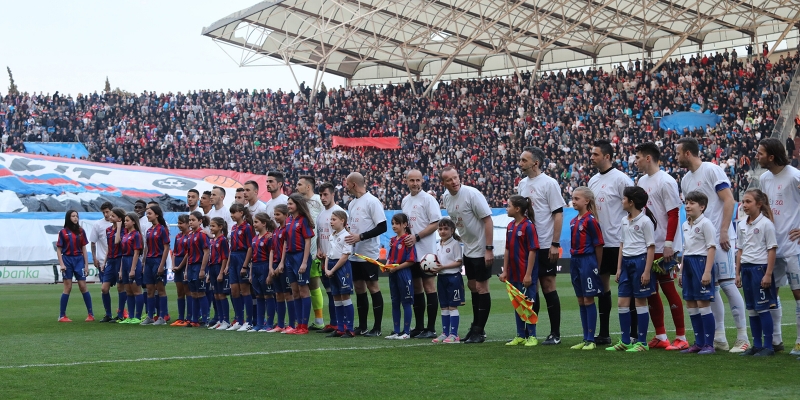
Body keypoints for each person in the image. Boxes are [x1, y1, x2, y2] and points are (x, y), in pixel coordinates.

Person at [677, 137, 749, 352]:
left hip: (721, 237)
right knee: (711, 289)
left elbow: (729, 199)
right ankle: (718, 337)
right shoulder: (686, 180)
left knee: (727, 284)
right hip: (701, 243)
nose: (676, 156)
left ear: (688, 153)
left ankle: (743, 337)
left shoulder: (711, 170)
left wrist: (725, 230)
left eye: (678, 152)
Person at [634, 142, 687, 350]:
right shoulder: (642, 180)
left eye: (638, 157)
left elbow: (673, 213)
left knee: (668, 288)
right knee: (651, 291)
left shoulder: (666, 181)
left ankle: (681, 337)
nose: (635, 161)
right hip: (648, 244)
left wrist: (669, 244)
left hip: (664, 244)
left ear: (648, 158)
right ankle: (661, 335)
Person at [755, 138, 800, 355]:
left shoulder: (794, 176)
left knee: (798, 293)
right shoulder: (764, 179)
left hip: (794, 246)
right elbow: (768, 209)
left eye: (760, 153)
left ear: (771, 156)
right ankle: (776, 340)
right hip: (773, 246)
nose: (757, 156)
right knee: (771, 292)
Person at [518, 146, 566, 345]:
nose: (520, 163)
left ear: (535, 163)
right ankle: (531, 333)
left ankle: (555, 334)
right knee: (530, 288)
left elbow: (558, 213)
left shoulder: (549, 183)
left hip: (545, 243)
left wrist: (555, 243)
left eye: (523, 160)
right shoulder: (521, 184)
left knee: (548, 285)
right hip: (528, 245)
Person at [441, 166, 494, 343]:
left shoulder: (472, 194)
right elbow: (458, 220)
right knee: (472, 286)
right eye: (449, 180)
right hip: (468, 249)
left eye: (455, 177)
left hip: (481, 248)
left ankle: (479, 330)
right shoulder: (446, 198)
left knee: (481, 288)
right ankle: (476, 327)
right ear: (444, 183)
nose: (454, 182)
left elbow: (488, 220)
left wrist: (489, 248)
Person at [588, 139, 632, 345]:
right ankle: (604, 333)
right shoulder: (592, 181)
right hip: (600, 243)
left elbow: (635, 206)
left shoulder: (622, 179)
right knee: (602, 286)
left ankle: (633, 334)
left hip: (620, 241)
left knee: (627, 285)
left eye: (595, 154)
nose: (592, 157)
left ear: (607, 156)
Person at [607, 186, 656, 352]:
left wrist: (647, 271)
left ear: (631, 202)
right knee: (622, 302)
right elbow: (622, 244)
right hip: (626, 263)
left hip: (640, 262)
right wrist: (619, 268)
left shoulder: (645, 222)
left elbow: (651, 247)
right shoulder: (623, 220)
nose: (622, 201)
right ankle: (625, 340)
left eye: (624, 198)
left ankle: (642, 342)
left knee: (640, 301)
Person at [735, 189, 778, 357]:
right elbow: (740, 250)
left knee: (763, 308)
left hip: (759, 269)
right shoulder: (742, 224)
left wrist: (768, 274)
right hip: (746, 269)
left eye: (748, 202)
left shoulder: (766, 224)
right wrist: (737, 273)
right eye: (743, 202)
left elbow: (772, 250)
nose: (744, 205)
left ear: (759, 204)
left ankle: (768, 346)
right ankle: (757, 345)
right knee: (752, 309)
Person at [345, 172, 387, 336]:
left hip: (368, 253)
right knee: (359, 288)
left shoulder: (372, 201)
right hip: (354, 253)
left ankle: (376, 328)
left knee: (372, 287)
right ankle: (362, 326)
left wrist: (360, 236)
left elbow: (382, 227)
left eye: (347, 184)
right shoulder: (352, 204)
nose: (346, 187)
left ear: (353, 184)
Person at [401, 169, 442, 339]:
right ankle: (419, 326)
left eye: (418, 180)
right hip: (412, 253)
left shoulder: (428, 199)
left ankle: (431, 328)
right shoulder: (405, 201)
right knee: (416, 288)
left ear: (422, 181)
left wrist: (416, 236)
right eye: (412, 180)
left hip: (427, 252)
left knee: (429, 287)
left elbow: (436, 222)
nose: (415, 183)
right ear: (406, 181)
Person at [678, 191, 718, 355]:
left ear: (702, 207)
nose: (687, 206)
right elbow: (685, 248)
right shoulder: (685, 225)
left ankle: (709, 344)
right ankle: (698, 342)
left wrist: (707, 271)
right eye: (686, 202)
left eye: (692, 203)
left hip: (701, 263)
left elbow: (711, 247)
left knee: (703, 304)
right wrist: (681, 271)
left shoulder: (706, 224)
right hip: (688, 264)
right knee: (691, 303)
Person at [500, 195, 539, 347]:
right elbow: (508, 249)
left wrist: (529, 274)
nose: (506, 208)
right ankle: (520, 335)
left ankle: (532, 336)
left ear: (517, 209)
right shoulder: (510, 226)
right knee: (517, 304)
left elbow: (533, 251)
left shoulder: (528, 226)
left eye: (508, 206)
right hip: (513, 272)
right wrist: (505, 271)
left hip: (526, 273)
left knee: (528, 304)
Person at [568, 187, 604, 350]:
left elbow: (598, 245)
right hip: (575, 261)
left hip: (587, 262)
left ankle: (591, 339)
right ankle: (585, 337)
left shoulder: (591, 220)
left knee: (589, 299)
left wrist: (596, 265)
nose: (573, 201)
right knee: (581, 299)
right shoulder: (573, 221)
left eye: (577, 199)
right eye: (573, 198)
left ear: (586, 201)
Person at [276, 193, 316, 335]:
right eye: (288, 204)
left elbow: (307, 241)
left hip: (300, 257)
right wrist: (282, 261)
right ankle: (298, 325)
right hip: (290, 259)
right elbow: (286, 241)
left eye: (291, 204)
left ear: (297, 205)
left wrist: (304, 262)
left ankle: (304, 325)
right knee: (294, 292)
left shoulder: (303, 220)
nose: (288, 206)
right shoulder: (288, 220)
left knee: (303, 290)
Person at [296, 175, 327, 330]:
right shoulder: (299, 202)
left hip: (315, 251)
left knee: (314, 285)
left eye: (299, 184)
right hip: (299, 251)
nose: (296, 187)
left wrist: (321, 247)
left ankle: (319, 320)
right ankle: (302, 320)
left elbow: (323, 225)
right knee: (300, 286)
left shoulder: (318, 200)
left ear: (308, 186)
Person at [316, 182, 346, 333]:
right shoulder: (321, 214)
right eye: (321, 195)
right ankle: (334, 323)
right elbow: (320, 236)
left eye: (326, 194)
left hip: (336, 261)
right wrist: (320, 249)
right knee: (330, 292)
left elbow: (345, 236)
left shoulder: (339, 212)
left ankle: (343, 325)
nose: (323, 198)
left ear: (333, 194)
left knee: (340, 294)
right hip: (324, 260)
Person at [56, 210, 94, 322]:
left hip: (79, 260)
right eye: (73, 216)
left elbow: (84, 248)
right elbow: (58, 250)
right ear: (68, 218)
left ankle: (91, 314)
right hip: (67, 260)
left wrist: (86, 265)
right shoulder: (62, 232)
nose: (75, 218)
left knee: (83, 286)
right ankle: (62, 315)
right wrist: (62, 264)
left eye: (76, 216)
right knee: (68, 287)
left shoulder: (81, 231)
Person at [384, 213, 417, 340]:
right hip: (393, 274)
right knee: (395, 302)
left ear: (405, 225)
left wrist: (396, 268)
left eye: (397, 223)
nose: (394, 226)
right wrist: (387, 265)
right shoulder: (392, 240)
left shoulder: (408, 239)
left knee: (406, 302)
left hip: (403, 273)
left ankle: (407, 332)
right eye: (392, 223)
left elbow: (411, 260)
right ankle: (396, 331)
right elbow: (389, 257)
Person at [431, 218, 464, 344]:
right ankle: (445, 333)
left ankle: (454, 334)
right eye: (440, 229)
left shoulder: (455, 244)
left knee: (452, 306)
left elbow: (459, 261)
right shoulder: (438, 244)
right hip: (442, 278)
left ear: (452, 230)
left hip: (453, 277)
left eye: (445, 228)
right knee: (444, 306)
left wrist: (444, 267)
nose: (442, 231)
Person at [324, 209, 356, 337]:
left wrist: (332, 270)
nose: (331, 222)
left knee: (345, 297)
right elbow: (328, 254)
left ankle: (349, 328)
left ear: (342, 221)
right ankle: (340, 327)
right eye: (330, 219)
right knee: (336, 297)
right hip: (331, 265)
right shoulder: (332, 236)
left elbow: (344, 256)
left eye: (333, 219)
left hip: (341, 267)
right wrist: (326, 269)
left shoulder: (346, 236)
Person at [177, 211, 211, 327]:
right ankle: (194, 320)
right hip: (191, 267)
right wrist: (186, 270)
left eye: (193, 220)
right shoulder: (190, 235)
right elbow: (189, 253)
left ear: (200, 221)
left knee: (201, 293)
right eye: (190, 220)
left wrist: (202, 269)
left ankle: (205, 319)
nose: (191, 222)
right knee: (194, 294)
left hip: (199, 266)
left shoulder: (202, 234)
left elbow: (206, 252)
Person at [246, 212, 276, 332]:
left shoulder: (269, 238)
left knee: (268, 295)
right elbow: (253, 256)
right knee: (258, 296)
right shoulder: (254, 239)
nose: (254, 224)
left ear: (264, 223)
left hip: (264, 267)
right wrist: (251, 272)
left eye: (256, 222)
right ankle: (259, 323)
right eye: (254, 222)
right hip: (256, 268)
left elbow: (271, 255)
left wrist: (269, 272)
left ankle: (269, 323)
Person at [226, 203, 255, 331]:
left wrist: (245, 265)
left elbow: (250, 247)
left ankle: (249, 321)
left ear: (241, 213)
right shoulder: (233, 228)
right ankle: (239, 319)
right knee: (234, 291)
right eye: (231, 213)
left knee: (245, 291)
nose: (232, 215)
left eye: (234, 212)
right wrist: (228, 264)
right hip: (233, 258)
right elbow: (231, 247)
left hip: (243, 257)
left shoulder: (248, 227)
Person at [268, 204, 296, 332]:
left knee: (288, 294)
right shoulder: (276, 231)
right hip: (275, 265)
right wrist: (270, 268)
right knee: (278, 294)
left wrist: (282, 263)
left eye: (278, 214)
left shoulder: (287, 230)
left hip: (283, 265)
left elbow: (286, 248)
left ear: (286, 215)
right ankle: (280, 324)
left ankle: (292, 324)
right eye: (275, 214)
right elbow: (272, 250)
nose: (275, 217)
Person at [141, 205, 171, 325]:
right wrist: (143, 262)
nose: (147, 216)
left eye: (149, 213)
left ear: (156, 215)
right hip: (149, 261)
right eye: (147, 213)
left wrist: (162, 265)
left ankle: (162, 317)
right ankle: (150, 316)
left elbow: (166, 247)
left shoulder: (162, 229)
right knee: (149, 290)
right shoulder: (149, 230)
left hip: (158, 260)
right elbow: (146, 248)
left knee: (160, 289)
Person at [94, 204, 121, 322]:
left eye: (112, 215)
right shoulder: (108, 230)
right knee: (104, 288)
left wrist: (119, 228)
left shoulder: (123, 229)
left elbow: (117, 242)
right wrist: (104, 262)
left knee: (122, 288)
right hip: (110, 260)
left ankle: (121, 314)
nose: (109, 216)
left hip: (120, 260)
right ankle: (108, 314)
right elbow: (110, 247)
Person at [118, 212, 144, 324]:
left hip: (132, 262)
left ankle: (137, 317)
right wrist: (121, 269)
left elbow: (136, 253)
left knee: (136, 290)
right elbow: (122, 253)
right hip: (124, 261)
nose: (125, 222)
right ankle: (130, 316)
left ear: (133, 221)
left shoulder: (136, 235)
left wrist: (133, 269)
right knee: (128, 291)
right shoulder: (125, 235)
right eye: (125, 220)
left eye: (127, 220)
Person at [208, 217, 231, 330]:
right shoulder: (212, 240)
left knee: (221, 294)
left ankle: (226, 320)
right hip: (212, 268)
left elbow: (224, 257)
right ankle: (220, 319)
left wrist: (221, 272)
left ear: (220, 227)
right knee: (216, 294)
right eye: (210, 226)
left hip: (219, 268)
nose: (211, 228)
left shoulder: (223, 240)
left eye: (213, 226)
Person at [170, 215, 192, 326]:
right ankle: (180, 317)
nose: (179, 225)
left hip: (185, 264)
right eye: (178, 223)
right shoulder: (178, 236)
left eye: (181, 223)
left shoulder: (190, 236)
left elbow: (189, 253)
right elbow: (174, 252)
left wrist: (180, 266)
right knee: (179, 292)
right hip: (177, 264)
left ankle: (189, 318)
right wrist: (174, 265)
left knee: (187, 291)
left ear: (188, 223)